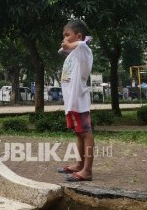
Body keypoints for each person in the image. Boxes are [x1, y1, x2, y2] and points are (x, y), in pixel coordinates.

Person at [56, 19, 94, 182]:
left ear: (78, 36)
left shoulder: (84, 49)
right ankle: (80, 165)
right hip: (71, 103)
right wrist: (67, 46)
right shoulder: (74, 53)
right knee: (78, 133)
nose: (64, 38)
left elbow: (82, 44)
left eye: (67, 35)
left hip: (79, 101)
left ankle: (87, 171)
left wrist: (70, 45)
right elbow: (61, 50)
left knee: (86, 134)